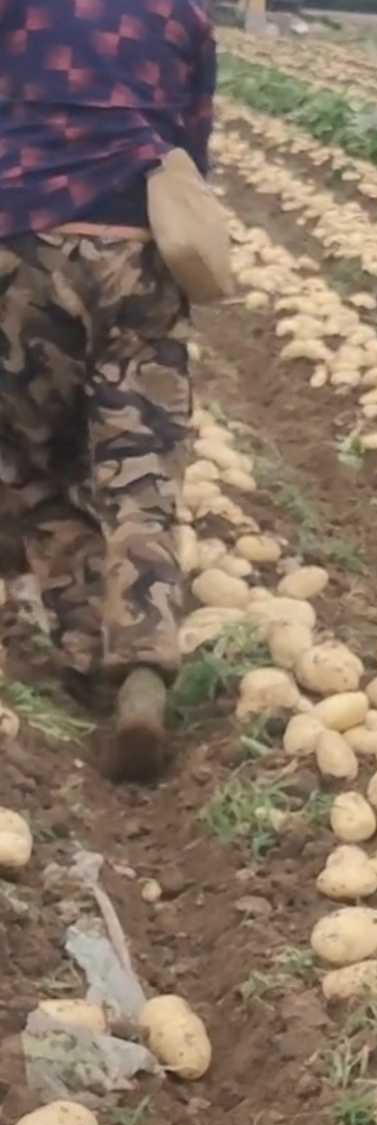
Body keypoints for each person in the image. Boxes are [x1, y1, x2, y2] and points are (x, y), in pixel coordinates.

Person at [0, 0, 217, 781]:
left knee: (32, 466)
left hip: (24, 249)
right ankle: (143, 670)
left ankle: (86, 650)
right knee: (141, 476)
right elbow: (193, 148)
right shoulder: (183, 13)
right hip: (140, 260)